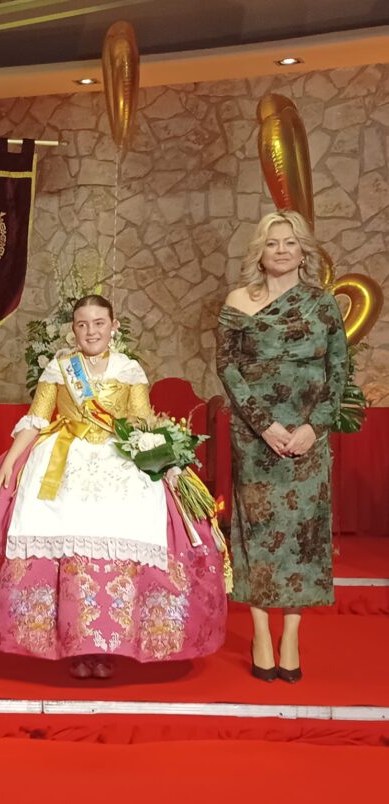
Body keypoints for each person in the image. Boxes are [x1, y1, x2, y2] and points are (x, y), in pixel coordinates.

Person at [0, 295, 227, 679]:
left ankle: (111, 646)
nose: (91, 331)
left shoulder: (129, 369)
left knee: (133, 515)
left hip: (118, 454)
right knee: (53, 519)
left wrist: (166, 461)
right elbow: (37, 419)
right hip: (64, 454)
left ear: (113, 327)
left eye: (99, 323)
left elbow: (142, 422)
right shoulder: (60, 367)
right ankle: (72, 645)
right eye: (83, 324)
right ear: (73, 329)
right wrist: (9, 462)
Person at [216, 210, 346, 683]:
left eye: (290, 243)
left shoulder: (323, 304)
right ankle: (259, 632)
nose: (282, 250)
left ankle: (291, 633)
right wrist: (264, 425)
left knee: (303, 534)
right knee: (257, 531)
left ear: (303, 251)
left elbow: (338, 371)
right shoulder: (238, 301)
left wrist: (315, 426)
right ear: (260, 253)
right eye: (273, 243)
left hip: (309, 436)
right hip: (256, 437)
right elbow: (227, 367)